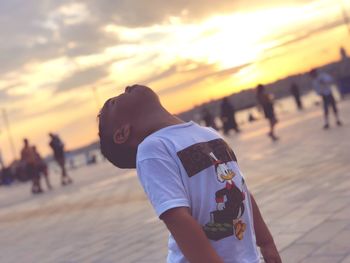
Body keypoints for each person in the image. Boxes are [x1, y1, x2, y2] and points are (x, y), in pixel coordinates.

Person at [98, 84, 281, 263]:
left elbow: (242, 191)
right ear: (122, 133)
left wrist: (266, 242)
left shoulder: (208, 132)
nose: (126, 88)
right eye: (113, 102)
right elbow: (177, 218)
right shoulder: (153, 148)